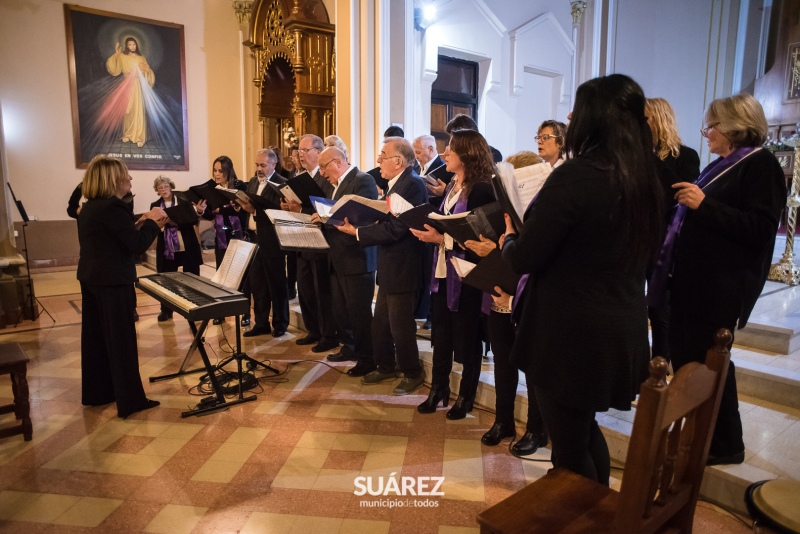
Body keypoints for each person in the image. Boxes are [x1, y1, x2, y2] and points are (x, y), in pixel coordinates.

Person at [502, 74, 663, 484]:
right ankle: (601, 516)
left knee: (570, 454)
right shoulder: (644, 178)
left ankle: (589, 522)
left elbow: (527, 256)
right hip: (618, 324)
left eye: (576, 114)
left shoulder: (576, 176)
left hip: (567, 333)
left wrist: (507, 239)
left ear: (591, 121)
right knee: (584, 431)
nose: (569, 124)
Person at [649, 93, 785, 466]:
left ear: (736, 127)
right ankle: (702, 434)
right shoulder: (722, 165)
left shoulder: (761, 166)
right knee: (691, 364)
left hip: (719, 288)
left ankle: (725, 444)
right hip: (693, 284)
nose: (706, 133)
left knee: (710, 365)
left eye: (712, 126)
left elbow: (759, 229)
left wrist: (703, 204)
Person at [463, 151, 547, 454]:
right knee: (503, 360)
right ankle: (503, 420)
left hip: (527, 298)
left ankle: (538, 429)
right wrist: (487, 249)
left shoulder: (544, 214)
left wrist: (498, 250)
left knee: (534, 367)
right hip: (499, 293)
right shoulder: (503, 210)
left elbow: (533, 257)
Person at [411, 129, 497, 419]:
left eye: (451, 149)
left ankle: (466, 396)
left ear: (467, 154)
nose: (445, 154)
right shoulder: (453, 185)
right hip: (443, 269)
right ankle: (438, 389)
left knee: (468, 337)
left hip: (468, 275)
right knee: (442, 334)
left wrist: (442, 239)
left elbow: (482, 238)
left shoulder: (483, 188)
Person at [77, 155, 168, 418]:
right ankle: (131, 401)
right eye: (126, 175)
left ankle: (98, 393)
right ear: (114, 179)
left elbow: (116, 231)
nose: (130, 179)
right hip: (114, 281)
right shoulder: (113, 208)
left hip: (92, 278)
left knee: (96, 341)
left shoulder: (92, 207)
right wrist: (153, 223)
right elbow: (135, 244)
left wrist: (141, 218)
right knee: (122, 342)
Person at [337, 137, 429, 394]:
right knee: (381, 324)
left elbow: (399, 228)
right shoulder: (398, 183)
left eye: (383, 155)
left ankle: (412, 372)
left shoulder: (412, 184)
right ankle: (386, 366)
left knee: (401, 325)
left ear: (398, 161)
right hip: (390, 264)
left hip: (403, 265)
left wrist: (357, 233)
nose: (378, 161)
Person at [311, 147, 379, 377]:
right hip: (337, 256)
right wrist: (322, 217)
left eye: (323, 167)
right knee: (342, 310)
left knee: (359, 312)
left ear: (337, 162)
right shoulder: (334, 184)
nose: (321, 173)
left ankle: (367, 358)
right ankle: (350, 347)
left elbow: (364, 217)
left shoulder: (363, 180)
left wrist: (327, 217)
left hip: (356, 257)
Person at [644, 98, 700, 360]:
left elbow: (676, 195)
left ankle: (660, 362)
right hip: (637, 239)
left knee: (659, 308)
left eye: (644, 119)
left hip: (665, 240)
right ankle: (639, 364)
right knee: (635, 304)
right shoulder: (637, 156)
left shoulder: (685, 156)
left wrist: (648, 158)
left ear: (658, 119)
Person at [283, 134, 339, 354]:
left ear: (319, 151)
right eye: (299, 151)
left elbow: (328, 210)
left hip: (322, 242)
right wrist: (290, 207)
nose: (301, 155)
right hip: (302, 239)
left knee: (321, 290)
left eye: (305, 151)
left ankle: (328, 334)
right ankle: (313, 329)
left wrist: (301, 210)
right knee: (305, 288)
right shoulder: (301, 177)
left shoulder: (327, 179)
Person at [237, 149, 290, 338]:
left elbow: (279, 214)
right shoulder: (252, 181)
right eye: (257, 165)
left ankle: (281, 323)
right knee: (257, 283)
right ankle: (261, 323)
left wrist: (254, 211)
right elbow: (249, 204)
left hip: (272, 240)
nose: (259, 169)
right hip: (253, 238)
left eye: (263, 165)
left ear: (273, 164)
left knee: (276, 283)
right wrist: (241, 206)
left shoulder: (282, 184)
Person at [412, 134, 455, 329]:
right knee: (424, 271)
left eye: (418, 152)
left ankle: (430, 314)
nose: (416, 156)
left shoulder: (444, 169)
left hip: (439, 230)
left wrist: (441, 193)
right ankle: (423, 310)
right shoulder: (415, 170)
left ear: (431, 150)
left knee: (434, 272)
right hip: (423, 227)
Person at [150, 176, 204, 323]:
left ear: (171, 187)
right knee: (166, 278)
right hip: (167, 246)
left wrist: (182, 218)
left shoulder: (183, 202)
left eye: (165, 186)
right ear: (157, 191)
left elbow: (193, 219)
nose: (163, 189)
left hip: (186, 242)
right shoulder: (155, 205)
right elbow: (153, 225)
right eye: (160, 188)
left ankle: (196, 305)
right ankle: (166, 310)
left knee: (192, 276)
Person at [203, 156, 247, 324]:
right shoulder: (212, 189)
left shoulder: (240, 186)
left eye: (220, 170)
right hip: (221, 236)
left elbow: (243, 211)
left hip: (238, 234)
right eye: (215, 170)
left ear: (228, 170)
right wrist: (201, 210)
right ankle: (220, 312)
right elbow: (209, 213)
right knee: (221, 274)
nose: (217, 174)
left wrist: (224, 209)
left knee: (241, 275)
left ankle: (245, 313)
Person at [105, 37, 155, 148]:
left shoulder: (142, 58)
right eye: (130, 44)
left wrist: (147, 71)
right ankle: (127, 133)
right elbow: (114, 69)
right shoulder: (123, 56)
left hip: (138, 85)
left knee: (139, 110)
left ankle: (139, 137)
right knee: (128, 110)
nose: (132, 46)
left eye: (134, 44)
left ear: (136, 45)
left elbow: (148, 71)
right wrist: (116, 54)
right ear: (127, 46)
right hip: (127, 84)